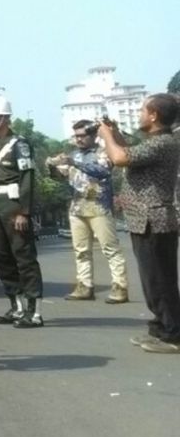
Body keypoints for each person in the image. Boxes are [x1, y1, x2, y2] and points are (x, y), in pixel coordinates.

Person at [98, 94, 180, 354]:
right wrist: (114, 133)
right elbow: (128, 152)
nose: (139, 114)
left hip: (154, 220)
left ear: (154, 115)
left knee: (161, 280)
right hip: (143, 220)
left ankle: (173, 335)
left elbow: (120, 158)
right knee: (151, 279)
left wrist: (106, 136)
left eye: (143, 110)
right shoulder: (155, 142)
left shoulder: (163, 143)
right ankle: (160, 327)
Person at [0, 95, 44, 328]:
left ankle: (34, 312)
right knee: (2, 257)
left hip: (13, 205)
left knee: (24, 258)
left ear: (6, 117)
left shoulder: (19, 145)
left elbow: (27, 179)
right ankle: (16, 307)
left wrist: (25, 212)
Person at [47, 120, 128, 303]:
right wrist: (51, 166)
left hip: (99, 206)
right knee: (81, 250)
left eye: (82, 136)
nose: (78, 139)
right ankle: (84, 285)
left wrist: (73, 163)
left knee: (110, 248)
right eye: (75, 136)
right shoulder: (74, 154)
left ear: (93, 136)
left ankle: (119, 286)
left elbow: (102, 171)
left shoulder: (102, 152)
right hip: (77, 207)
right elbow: (60, 176)